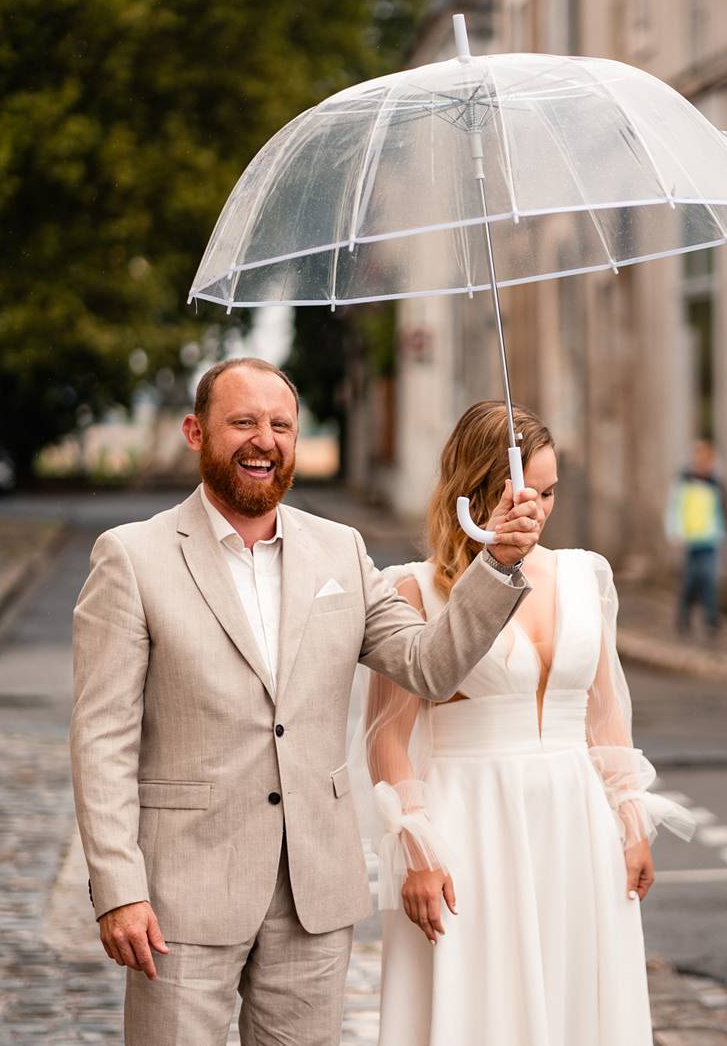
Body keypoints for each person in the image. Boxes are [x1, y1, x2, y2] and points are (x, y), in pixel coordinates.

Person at [69, 358, 544, 1046]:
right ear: (195, 432)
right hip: (180, 897)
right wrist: (119, 887)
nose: (265, 440)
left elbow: (430, 667)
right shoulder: (131, 558)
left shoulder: (341, 551)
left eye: (281, 425)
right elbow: (101, 739)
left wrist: (498, 562)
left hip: (314, 895)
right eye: (243, 423)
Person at [355, 400, 693, 1046]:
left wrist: (630, 820)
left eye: (549, 493)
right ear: (477, 491)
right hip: (469, 828)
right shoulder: (415, 591)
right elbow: (387, 742)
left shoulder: (583, 574)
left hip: (576, 824)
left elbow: (606, 716)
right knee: (484, 1010)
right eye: (524, 493)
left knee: (579, 1003)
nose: (539, 508)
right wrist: (416, 851)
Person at [664, 439, 727, 637]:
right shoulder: (683, 482)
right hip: (691, 540)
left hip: (709, 539)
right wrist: (674, 531)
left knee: (709, 579)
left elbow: (721, 510)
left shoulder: (715, 484)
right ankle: (683, 618)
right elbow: (675, 508)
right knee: (691, 581)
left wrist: (722, 530)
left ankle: (711, 620)